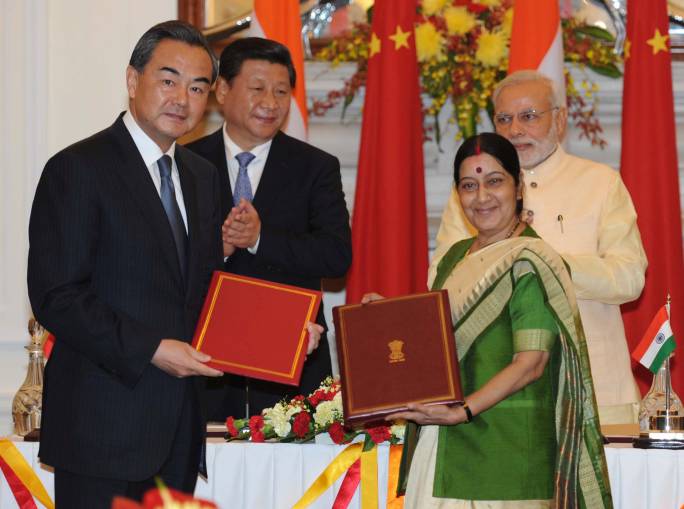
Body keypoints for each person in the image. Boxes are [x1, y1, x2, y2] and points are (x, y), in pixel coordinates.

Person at [27, 21, 322, 508]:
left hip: (178, 437)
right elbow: (57, 296)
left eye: (197, 86)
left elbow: (209, 288)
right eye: (168, 80)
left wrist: (285, 333)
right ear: (132, 80)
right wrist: (152, 349)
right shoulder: (77, 168)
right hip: (102, 431)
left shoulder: (200, 176)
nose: (182, 98)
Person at [375, 133, 612, 508]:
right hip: (443, 443)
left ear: (519, 189)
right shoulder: (453, 258)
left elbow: (531, 364)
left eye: (494, 181)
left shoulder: (531, 261)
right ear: (458, 194)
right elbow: (436, 343)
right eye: (469, 186)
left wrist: (463, 410)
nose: (481, 197)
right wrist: (385, 321)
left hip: (508, 449)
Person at [433, 70, 646, 424]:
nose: (515, 129)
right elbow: (440, 282)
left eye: (529, 116)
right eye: (504, 118)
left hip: (596, 389)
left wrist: (544, 262)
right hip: (495, 395)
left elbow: (629, 278)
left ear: (559, 120)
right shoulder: (473, 194)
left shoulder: (599, 183)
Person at [186, 37, 352, 420]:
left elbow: (336, 255)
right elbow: (164, 259)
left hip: (293, 360)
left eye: (281, 92)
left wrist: (261, 239)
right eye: (258, 88)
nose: (271, 103)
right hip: (206, 362)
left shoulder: (315, 167)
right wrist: (220, 249)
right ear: (223, 90)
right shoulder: (186, 163)